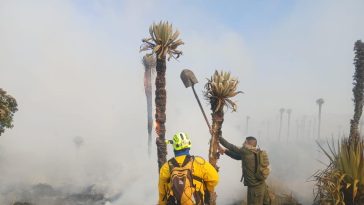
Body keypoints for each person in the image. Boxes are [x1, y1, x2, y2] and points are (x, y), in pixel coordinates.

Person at [158, 132, 219, 205]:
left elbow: (162, 192)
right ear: (189, 145)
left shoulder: (166, 167)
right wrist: (204, 188)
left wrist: (161, 203)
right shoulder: (200, 162)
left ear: (174, 147)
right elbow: (214, 179)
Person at [219, 136, 271, 205]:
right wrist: (225, 151)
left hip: (254, 189)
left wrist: (218, 136)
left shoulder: (246, 151)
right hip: (262, 185)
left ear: (248, 144)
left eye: (244, 142)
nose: (243, 143)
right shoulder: (257, 151)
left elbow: (229, 146)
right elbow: (238, 157)